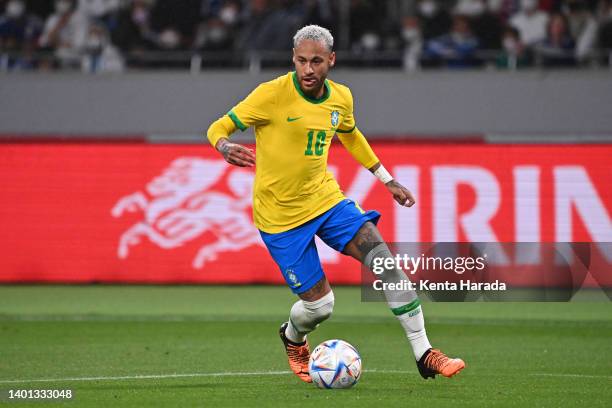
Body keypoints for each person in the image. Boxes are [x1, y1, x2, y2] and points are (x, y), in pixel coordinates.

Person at [206, 24, 465, 384]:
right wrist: (223, 147)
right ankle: (293, 336)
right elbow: (218, 126)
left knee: (386, 263)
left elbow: (351, 134)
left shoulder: (341, 97)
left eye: (316, 61)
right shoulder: (271, 95)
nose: (308, 70)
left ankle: (424, 353)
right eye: (300, 61)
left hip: (326, 200)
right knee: (320, 307)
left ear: (331, 60)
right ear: (293, 60)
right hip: (280, 217)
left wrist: (387, 178)